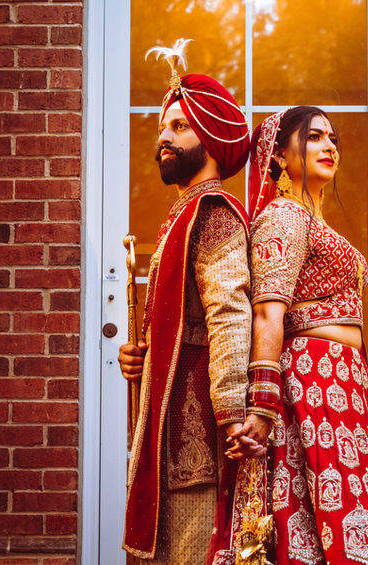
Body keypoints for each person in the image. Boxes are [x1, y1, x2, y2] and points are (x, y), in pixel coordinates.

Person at [246, 106, 368, 564]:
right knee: (324, 513)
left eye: (333, 138)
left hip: (343, 384)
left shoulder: (311, 220)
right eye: (313, 137)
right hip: (312, 382)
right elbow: (267, 311)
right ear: (280, 157)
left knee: (358, 507)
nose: (329, 146)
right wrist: (263, 403)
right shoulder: (284, 217)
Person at [118, 42, 266, 563]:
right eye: (163, 127)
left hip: (199, 441)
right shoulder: (180, 217)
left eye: (179, 127)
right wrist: (140, 357)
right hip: (170, 434)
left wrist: (231, 415)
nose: (163, 136)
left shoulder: (215, 212)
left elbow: (230, 316)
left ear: (211, 139)